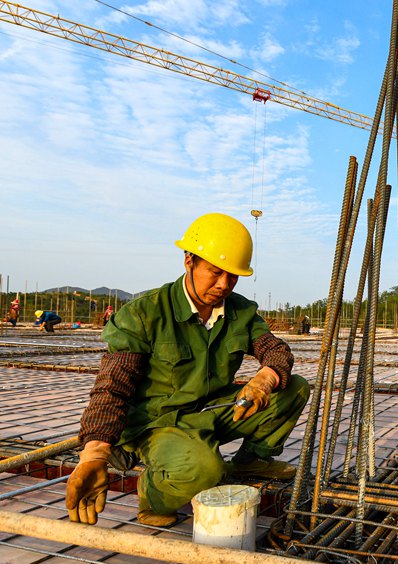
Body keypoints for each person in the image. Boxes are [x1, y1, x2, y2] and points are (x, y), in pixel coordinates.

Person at [64, 213, 310, 528]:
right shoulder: (145, 313)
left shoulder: (240, 311)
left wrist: (265, 378)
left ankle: (252, 460)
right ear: (189, 261)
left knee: (294, 388)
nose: (224, 284)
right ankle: (153, 495)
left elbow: (275, 351)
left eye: (232, 276)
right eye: (215, 272)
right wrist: (95, 452)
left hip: (212, 410)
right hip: (158, 423)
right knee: (206, 470)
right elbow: (113, 386)